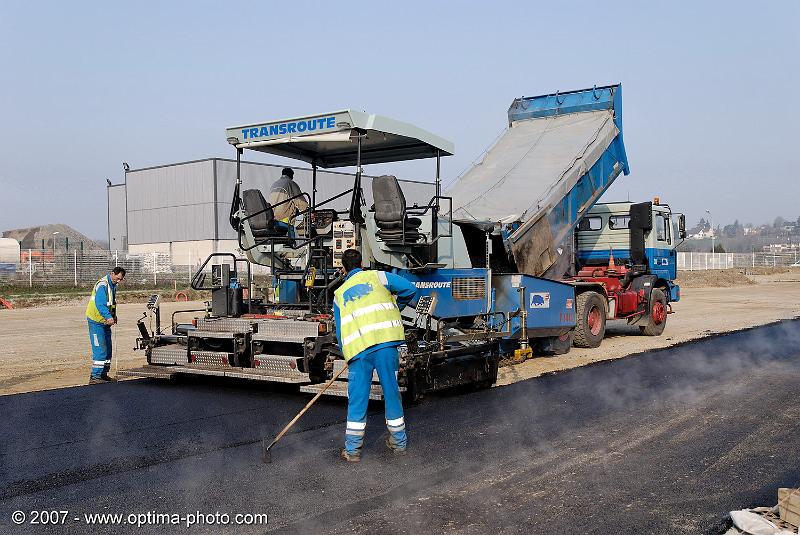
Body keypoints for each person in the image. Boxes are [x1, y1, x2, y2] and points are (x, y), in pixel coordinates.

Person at [332, 249, 417, 462]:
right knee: (391, 392)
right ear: (362, 263)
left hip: (360, 350)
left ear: (343, 268)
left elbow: (341, 331)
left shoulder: (340, 294)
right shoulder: (379, 276)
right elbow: (410, 289)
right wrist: (395, 307)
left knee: (358, 399)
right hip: (386, 345)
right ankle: (399, 443)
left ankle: (352, 451)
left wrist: (347, 353)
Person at [86, 267, 125, 384]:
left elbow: (111, 303)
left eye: (121, 279)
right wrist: (108, 317)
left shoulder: (112, 285)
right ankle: (95, 376)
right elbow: (100, 304)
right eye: (118, 278)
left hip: (105, 322)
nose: (118, 281)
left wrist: (113, 315)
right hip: (96, 321)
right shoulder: (103, 285)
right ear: (112, 273)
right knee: (100, 349)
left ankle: (103, 374)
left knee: (108, 349)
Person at [268, 167, 309, 237]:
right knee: (293, 238)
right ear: (291, 176)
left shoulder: (274, 184)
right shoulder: (290, 183)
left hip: (272, 218)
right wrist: (308, 211)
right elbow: (299, 200)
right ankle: (292, 243)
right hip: (285, 220)